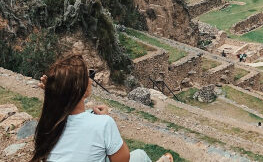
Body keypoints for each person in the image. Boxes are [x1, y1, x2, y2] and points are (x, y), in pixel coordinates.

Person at [31, 54, 172, 162]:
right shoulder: (103, 123)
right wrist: (106, 118)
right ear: (82, 88)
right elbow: (123, 160)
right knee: (140, 155)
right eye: (89, 75)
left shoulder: (48, 125)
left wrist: (54, 92)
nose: (91, 79)